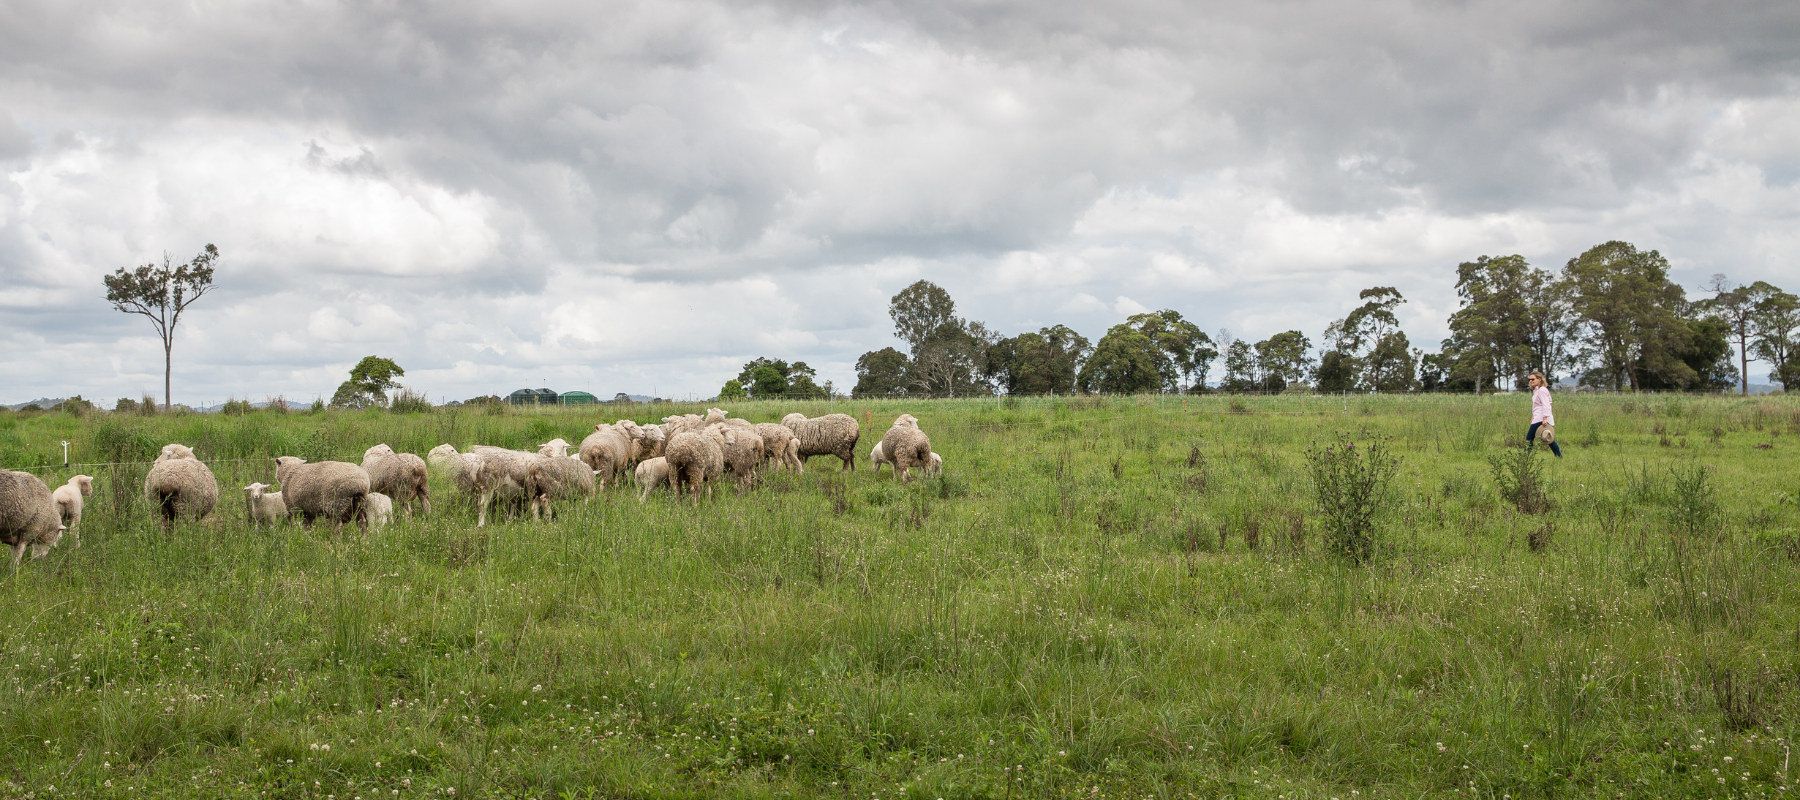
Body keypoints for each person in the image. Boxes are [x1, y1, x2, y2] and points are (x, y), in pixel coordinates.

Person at [1526, 371, 1561, 458]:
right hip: (1537, 417)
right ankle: (1559, 457)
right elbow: (1537, 406)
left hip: (1541, 418)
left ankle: (1525, 459)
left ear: (1539, 379)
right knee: (1548, 438)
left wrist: (1544, 418)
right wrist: (1533, 417)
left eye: (1533, 379)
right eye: (1529, 379)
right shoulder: (1536, 390)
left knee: (1529, 438)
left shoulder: (1542, 390)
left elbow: (1546, 405)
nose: (1531, 381)